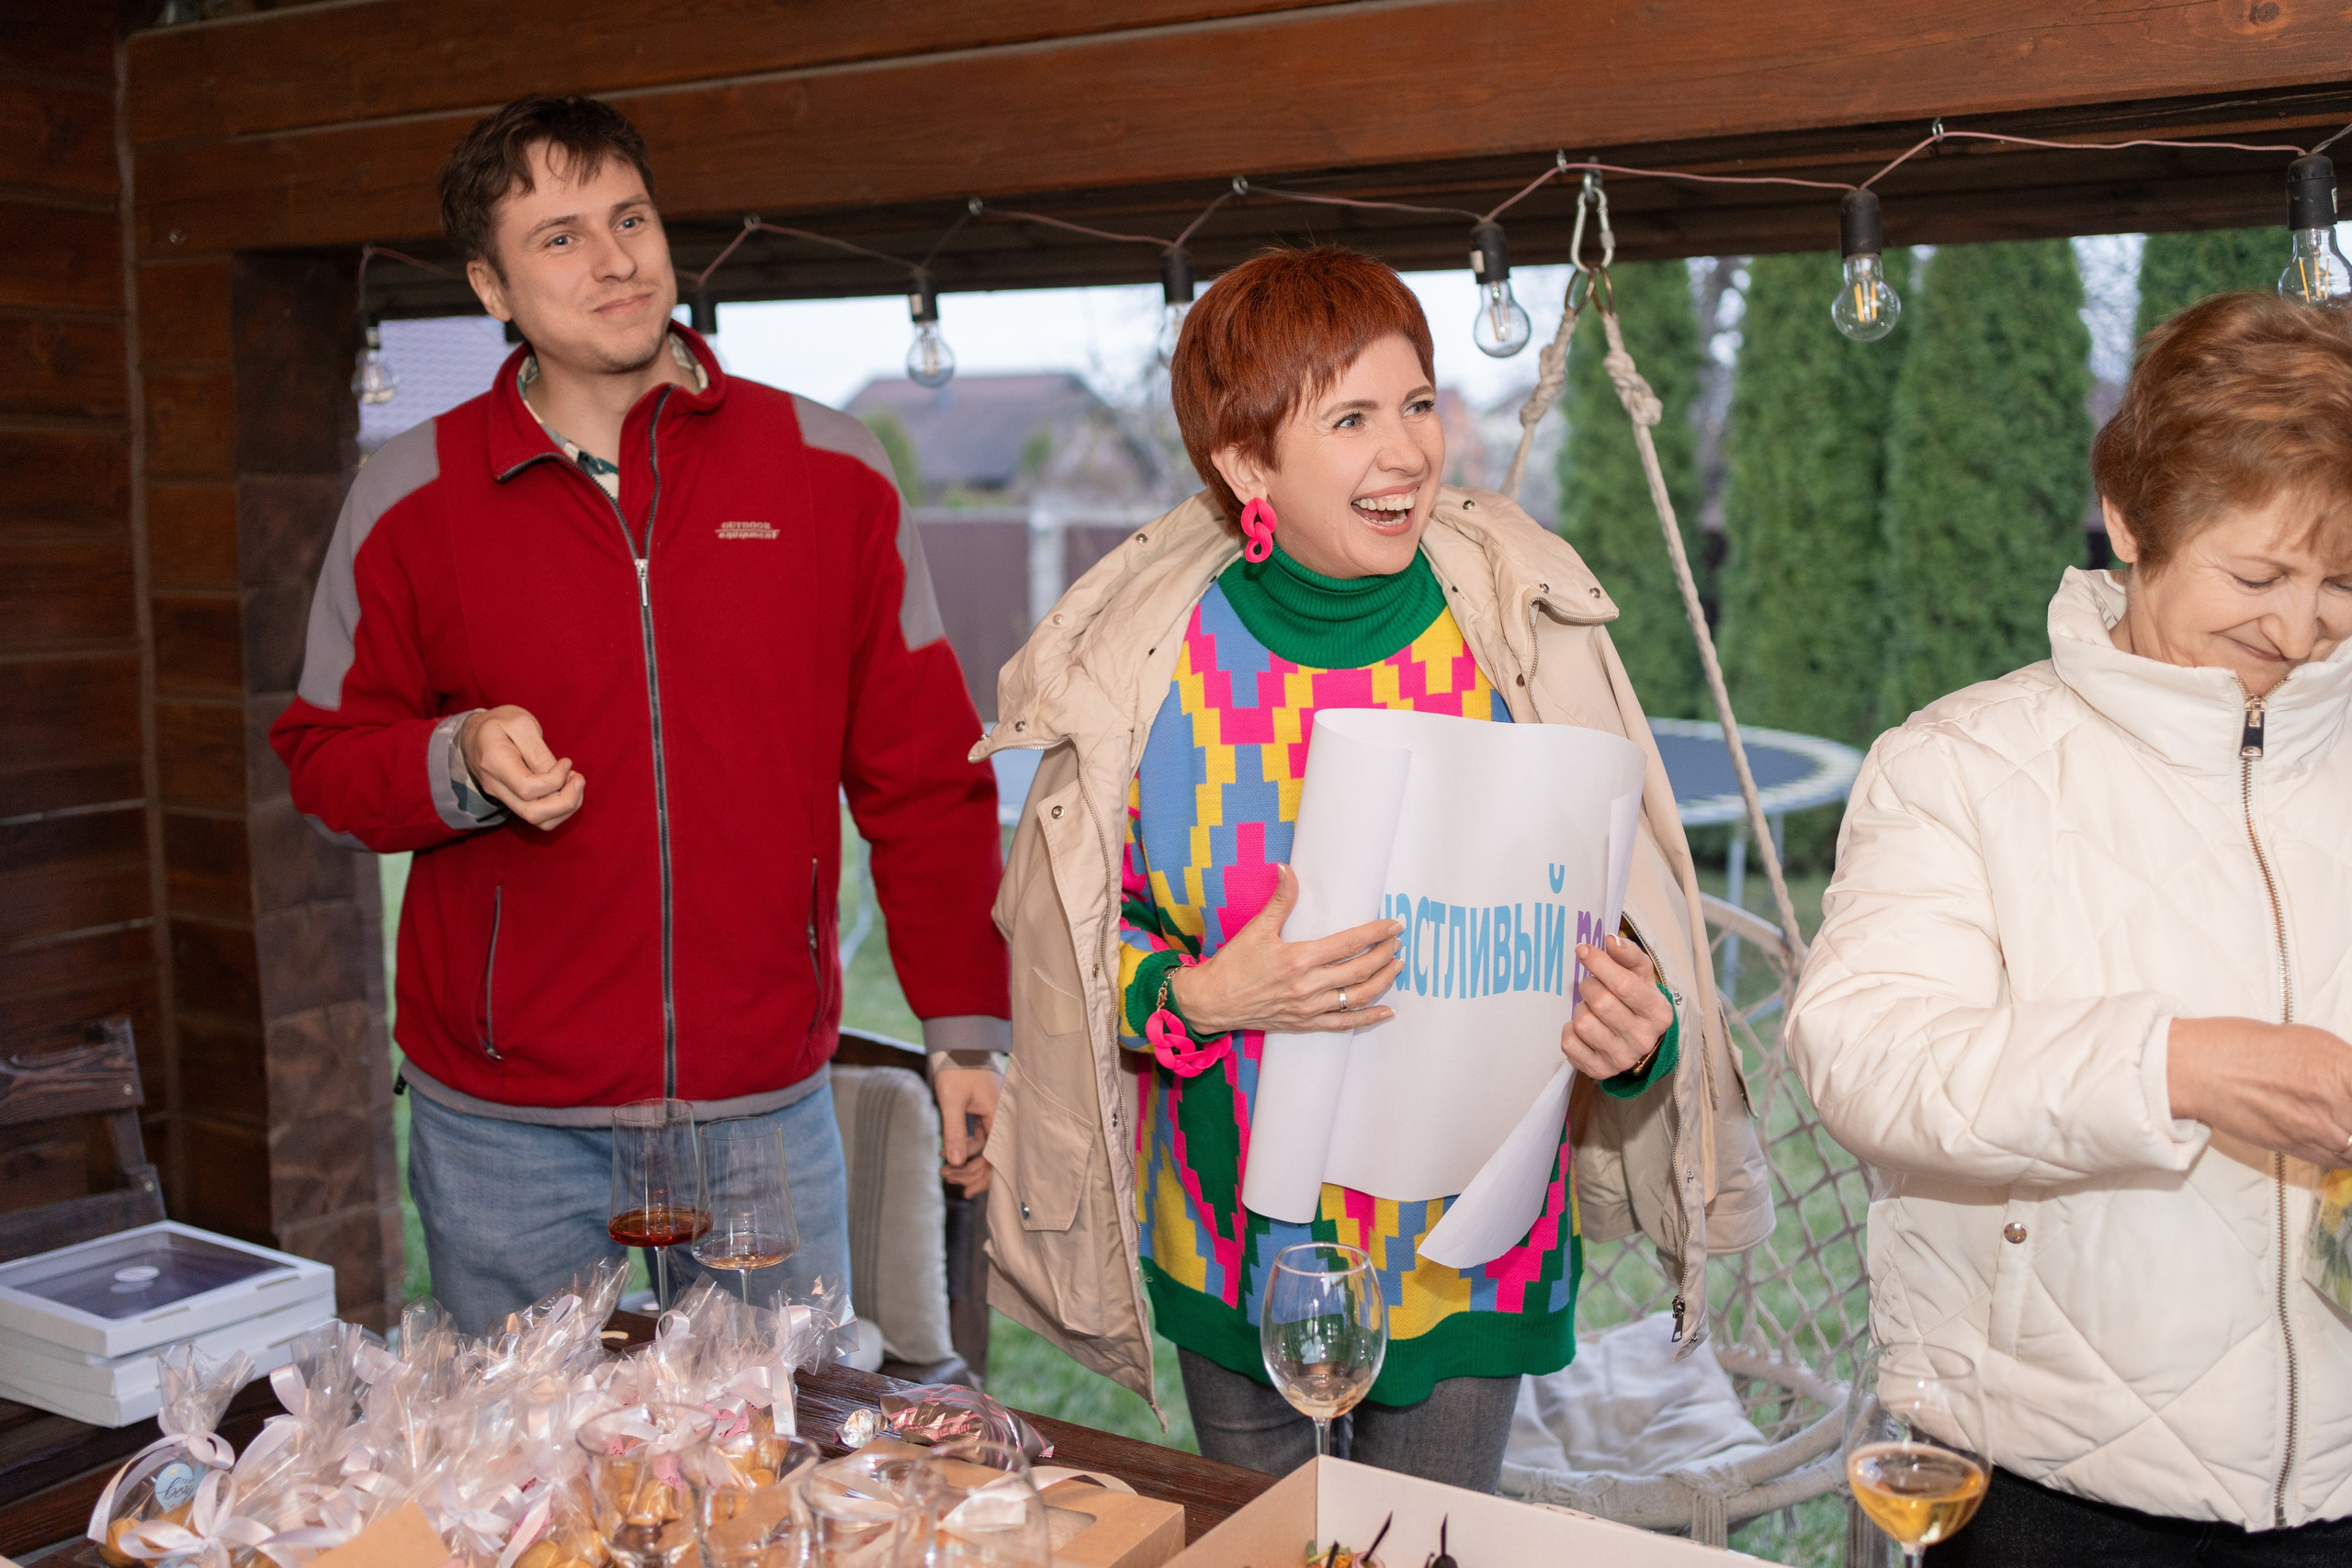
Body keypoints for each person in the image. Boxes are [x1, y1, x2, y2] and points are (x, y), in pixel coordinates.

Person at [977, 247, 1769, 1489]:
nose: (1407, 451)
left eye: (1417, 403)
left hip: (1472, 1246)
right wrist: (1193, 999)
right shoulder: (1148, 672)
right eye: (1351, 419)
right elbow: (1084, 931)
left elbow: (1622, 912)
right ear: (1248, 464)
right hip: (1234, 1233)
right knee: (1271, 1543)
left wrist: (1640, 1028)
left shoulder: (1514, 634)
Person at [270, 96, 1009, 1333]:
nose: (614, 259)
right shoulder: (407, 498)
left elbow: (926, 772)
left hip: (765, 1115)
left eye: (630, 217)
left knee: (779, 1477)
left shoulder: (830, 470)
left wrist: (963, 1027)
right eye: (558, 237)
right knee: (526, 1493)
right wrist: (453, 759)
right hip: (504, 1137)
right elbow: (324, 762)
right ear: (490, 286)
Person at [1788, 292, 2352, 1563]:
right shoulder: (1961, 762)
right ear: (2131, 520)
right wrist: (2179, 1065)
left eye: (2342, 583)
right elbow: (1863, 1055)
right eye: (2255, 575)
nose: (2297, 627)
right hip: (2047, 1495)